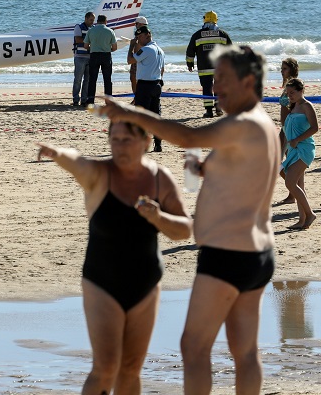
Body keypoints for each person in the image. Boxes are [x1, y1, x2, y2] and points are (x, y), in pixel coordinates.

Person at [100, 45, 279, 395]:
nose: (216, 86)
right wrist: (203, 168)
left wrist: (130, 112)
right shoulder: (264, 125)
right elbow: (236, 167)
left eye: (224, 79)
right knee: (245, 351)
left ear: (248, 80)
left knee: (193, 347)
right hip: (258, 254)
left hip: (227, 254)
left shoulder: (241, 123)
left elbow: (186, 137)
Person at [37, 123, 192, 394]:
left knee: (131, 368)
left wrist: (158, 217)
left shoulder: (160, 178)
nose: (120, 146)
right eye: (115, 139)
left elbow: (184, 230)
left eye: (127, 140)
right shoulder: (100, 173)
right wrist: (58, 153)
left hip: (145, 285)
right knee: (106, 367)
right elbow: (77, 162)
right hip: (102, 283)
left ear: (145, 141)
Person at [278, 78, 317, 229]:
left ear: (301, 91)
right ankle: (302, 220)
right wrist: (283, 106)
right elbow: (284, 124)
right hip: (293, 149)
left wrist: (297, 139)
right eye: (288, 93)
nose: (290, 96)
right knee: (297, 184)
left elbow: (314, 127)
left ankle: (310, 214)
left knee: (290, 182)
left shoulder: (307, 106)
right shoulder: (292, 107)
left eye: (292, 93)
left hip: (304, 148)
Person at [185, 11, 232, 118]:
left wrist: (189, 63)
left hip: (204, 68)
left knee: (207, 88)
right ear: (216, 21)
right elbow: (231, 51)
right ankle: (219, 108)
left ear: (204, 20)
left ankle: (209, 111)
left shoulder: (197, 35)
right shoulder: (222, 34)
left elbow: (190, 51)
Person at [127, 25, 165, 152]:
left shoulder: (147, 50)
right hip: (156, 83)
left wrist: (131, 46)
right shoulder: (160, 50)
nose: (138, 40)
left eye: (139, 37)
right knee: (156, 115)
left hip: (145, 85)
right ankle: (158, 143)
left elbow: (130, 60)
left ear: (147, 35)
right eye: (136, 38)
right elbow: (162, 70)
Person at [275, 57, 300, 206]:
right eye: (281, 68)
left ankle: (295, 191)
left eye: (284, 68)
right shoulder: (287, 85)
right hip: (284, 128)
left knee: (278, 161)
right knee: (282, 161)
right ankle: (293, 192)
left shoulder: (294, 85)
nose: (281, 71)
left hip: (289, 129)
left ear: (291, 69)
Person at [84, 14, 118, 101]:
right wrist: (107, 48)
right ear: (105, 21)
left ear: (97, 21)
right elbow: (114, 47)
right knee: (107, 79)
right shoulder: (110, 31)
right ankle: (108, 100)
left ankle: (90, 99)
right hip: (106, 55)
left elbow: (85, 45)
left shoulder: (91, 31)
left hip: (94, 55)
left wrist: (92, 47)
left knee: (92, 79)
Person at [72, 11, 95, 106]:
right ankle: (76, 99)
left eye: (93, 20)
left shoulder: (93, 28)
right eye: (90, 20)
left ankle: (84, 100)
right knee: (78, 79)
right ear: (86, 18)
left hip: (90, 56)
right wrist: (89, 42)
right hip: (80, 57)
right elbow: (78, 39)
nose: (92, 22)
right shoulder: (79, 27)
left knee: (87, 80)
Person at [128, 16, 149, 99]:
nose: (135, 25)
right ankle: (137, 97)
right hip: (137, 58)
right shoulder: (143, 33)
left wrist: (132, 45)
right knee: (134, 78)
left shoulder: (143, 34)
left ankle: (137, 98)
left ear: (140, 24)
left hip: (138, 59)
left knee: (135, 78)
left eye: (136, 24)